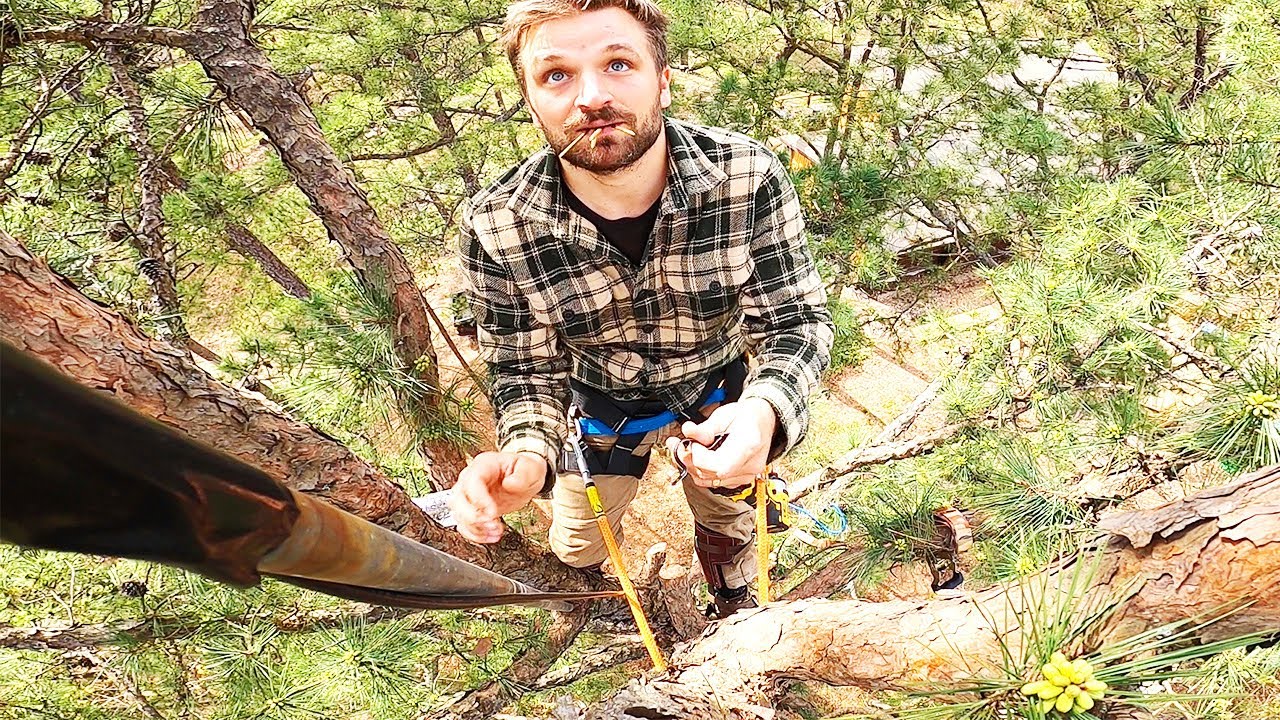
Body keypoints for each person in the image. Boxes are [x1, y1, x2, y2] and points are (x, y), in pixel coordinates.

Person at [449, 0, 834, 618]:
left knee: (734, 509)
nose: (592, 96)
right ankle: (606, 593)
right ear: (529, 98)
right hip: (596, 405)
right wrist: (525, 453)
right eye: (557, 75)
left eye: (618, 63)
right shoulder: (498, 225)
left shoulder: (745, 178)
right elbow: (524, 369)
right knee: (576, 544)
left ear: (663, 77)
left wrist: (763, 414)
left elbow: (796, 321)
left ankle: (731, 585)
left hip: (717, 389)